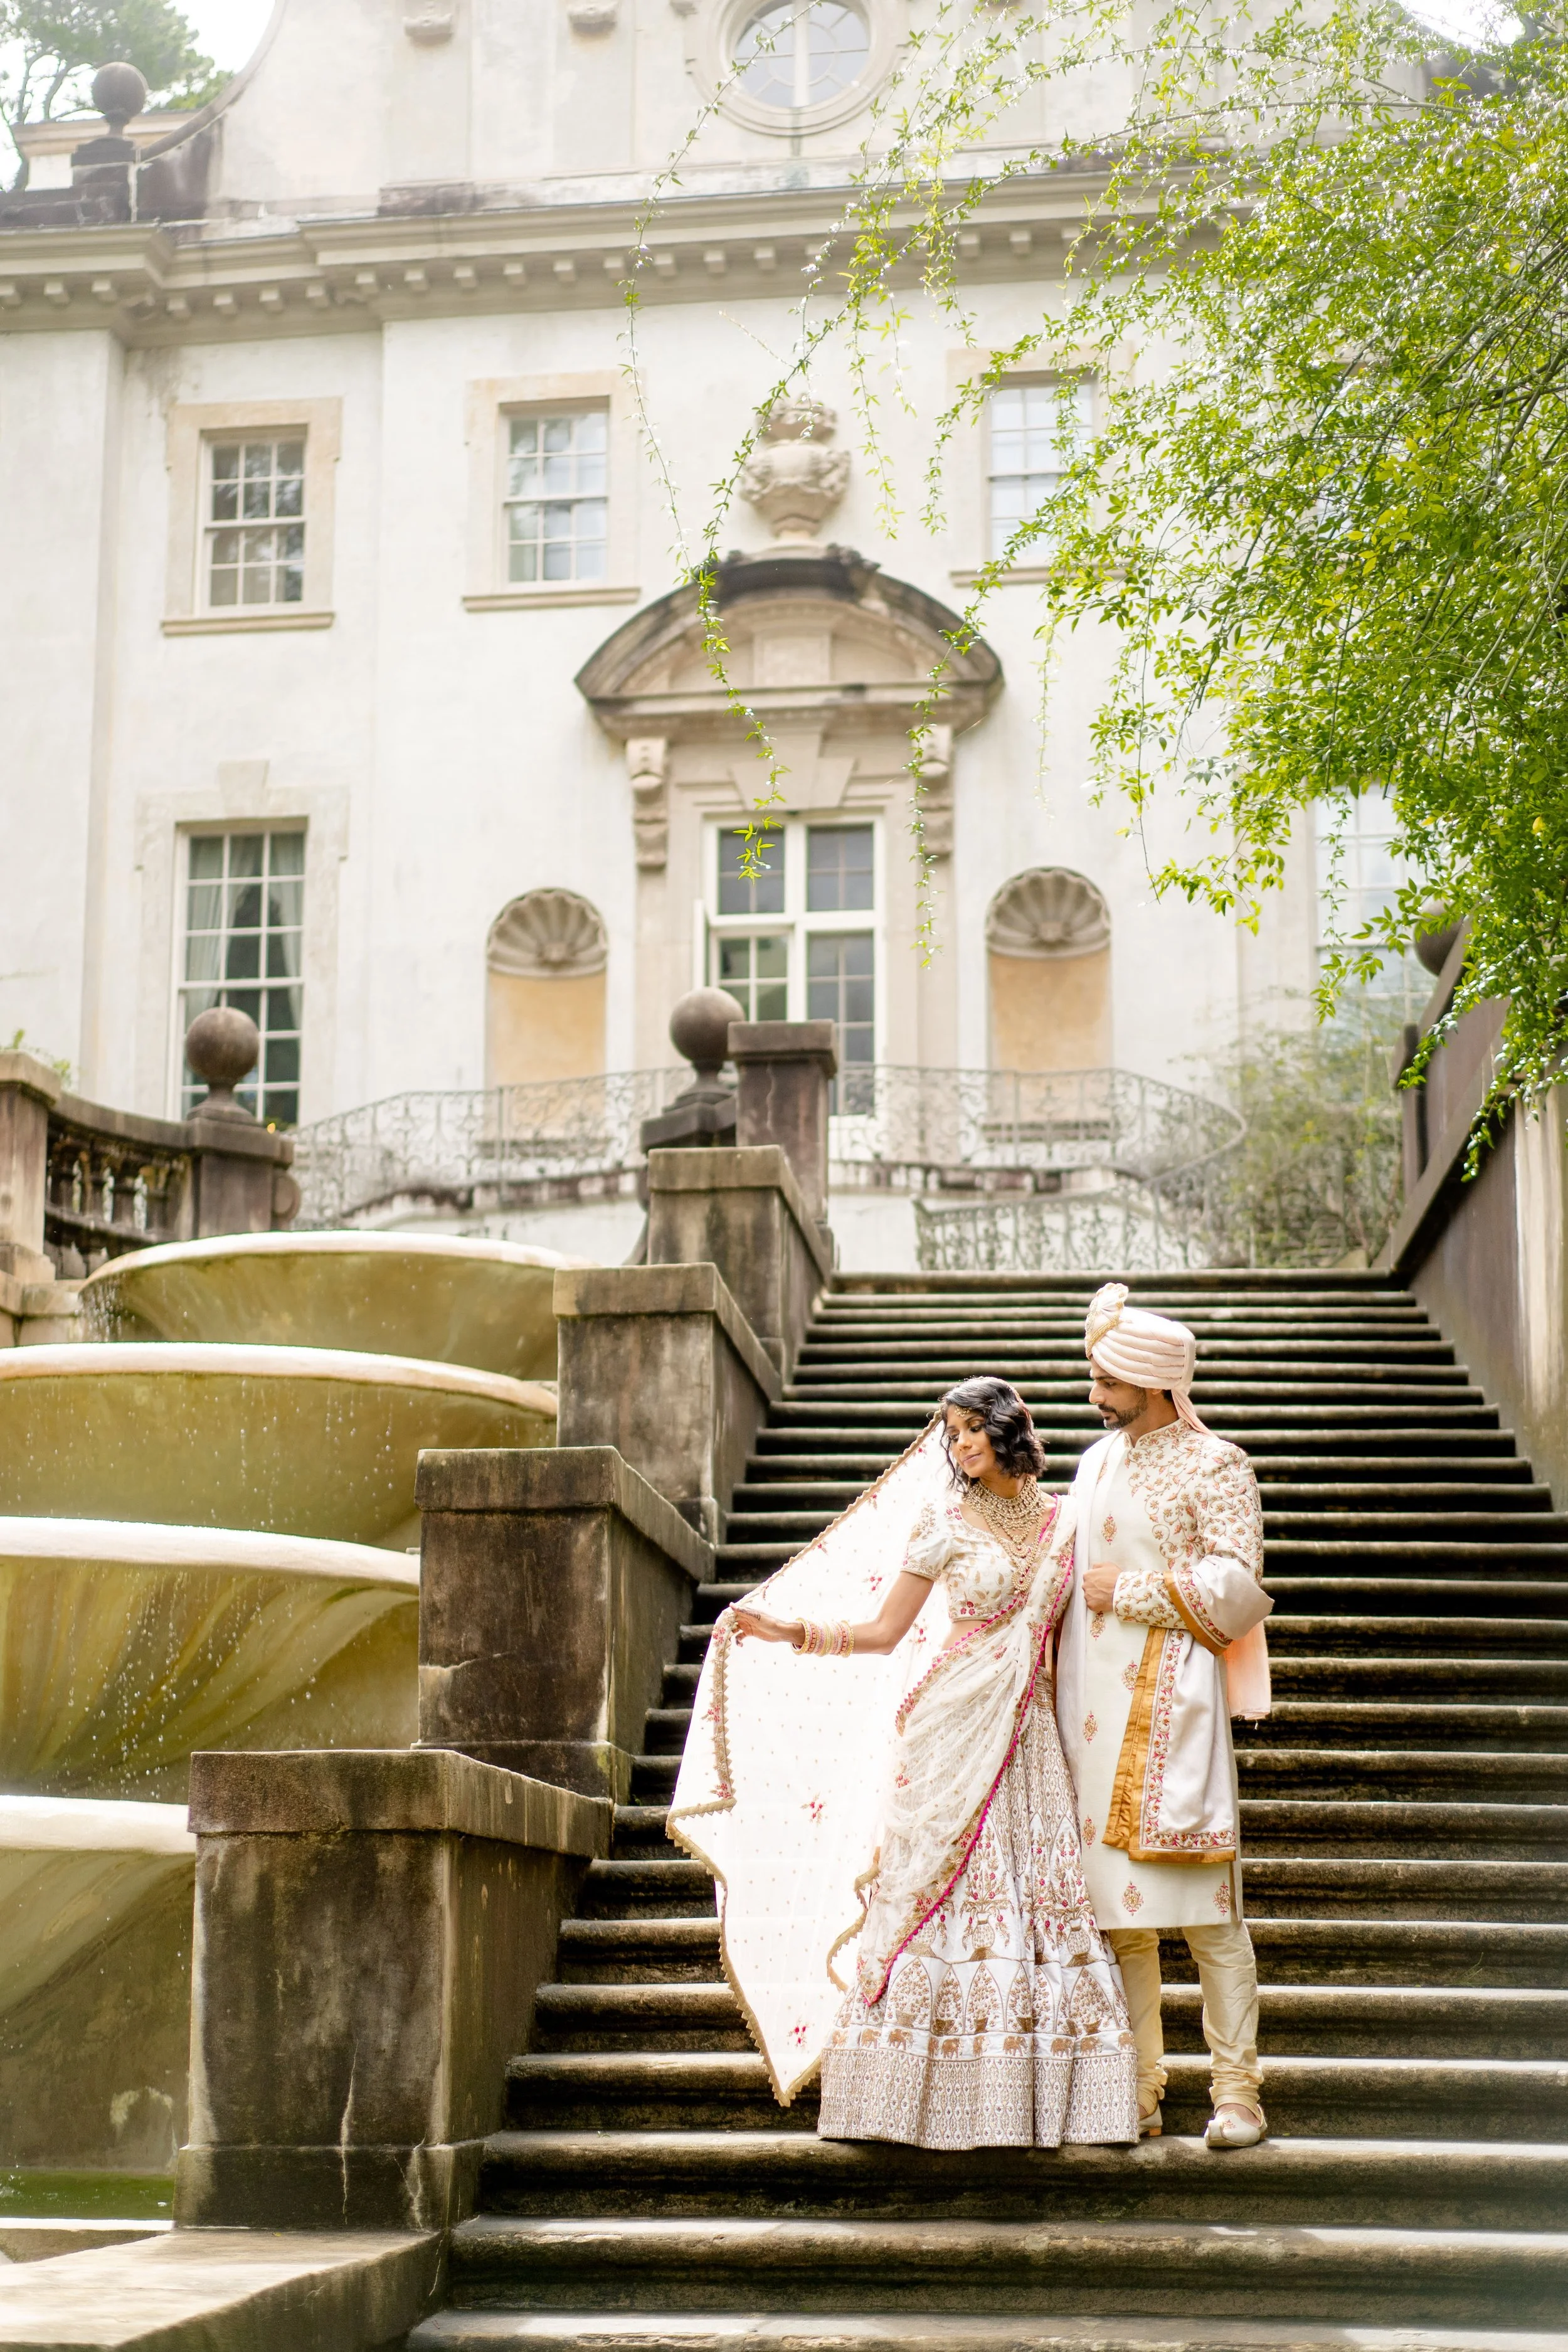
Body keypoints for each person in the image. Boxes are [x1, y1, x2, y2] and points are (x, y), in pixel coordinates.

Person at [669, 1375, 1140, 2151]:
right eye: (950, 1434)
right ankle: (902, 2095)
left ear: (1005, 1428)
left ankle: (1026, 2088)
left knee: (1035, 1892)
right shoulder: (942, 1520)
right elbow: (886, 1632)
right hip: (951, 1723)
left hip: (1029, 1731)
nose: (958, 1445)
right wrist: (790, 1631)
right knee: (933, 1886)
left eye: (969, 1429)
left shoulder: (1068, 1521)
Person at [1056, 1281, 1273, 2150]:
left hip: (1172, 1709)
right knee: (1121, 1922)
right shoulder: (1092, 1462)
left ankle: (1238, 2093)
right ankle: (1140, 2086)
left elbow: (1238, 1587)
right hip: (1089, 1716)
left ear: (1151, 1383)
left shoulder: (1216, 1463)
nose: (1094, 1392)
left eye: (1106, 1378)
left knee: (1210, 1918)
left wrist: (1132, 1591)